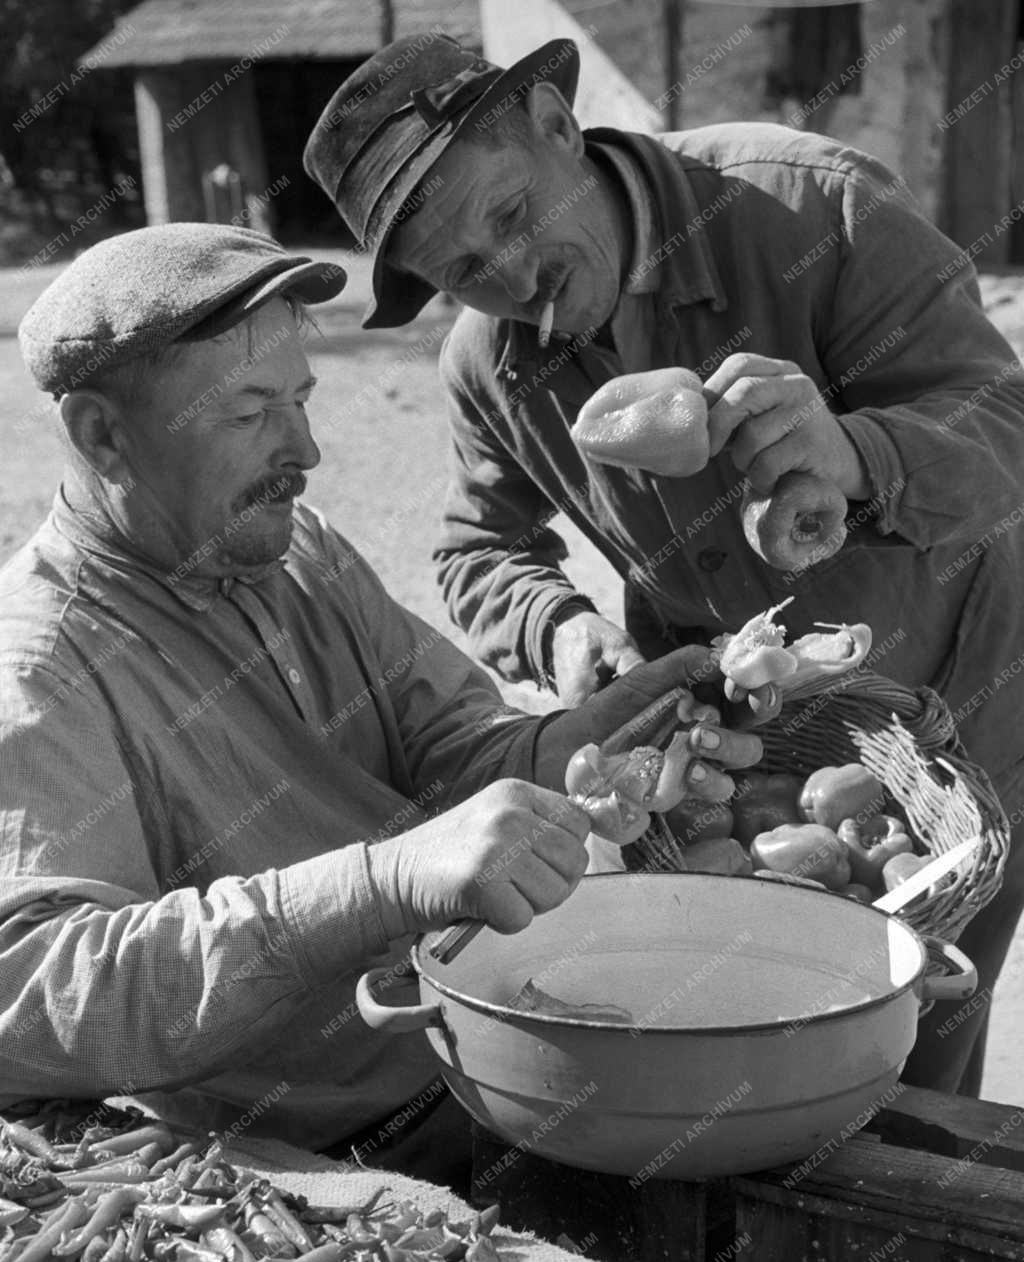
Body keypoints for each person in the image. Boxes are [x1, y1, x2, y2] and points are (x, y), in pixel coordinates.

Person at [304, 33, 1024, 1099]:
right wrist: (562, 631)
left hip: (963, 706)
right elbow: (476, 544)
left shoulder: (805, 208)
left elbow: (1004, 425)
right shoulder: (484, 364)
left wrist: (858, 454)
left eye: (508, 216)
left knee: (900, 1056)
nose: (510, 276)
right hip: (724, 760)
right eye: (462, 269)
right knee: (710, 1039)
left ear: (557, 126)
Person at [0, 223, 766, 1189]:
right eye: (247, 415)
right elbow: (33, 998)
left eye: (301, 400)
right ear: (100, 433)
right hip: (309, 1165)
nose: (306, 449)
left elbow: (452, 742)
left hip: (481, 1065)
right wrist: (382, 880)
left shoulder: (295, 550)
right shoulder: (39, 663)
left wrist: (599, 735)